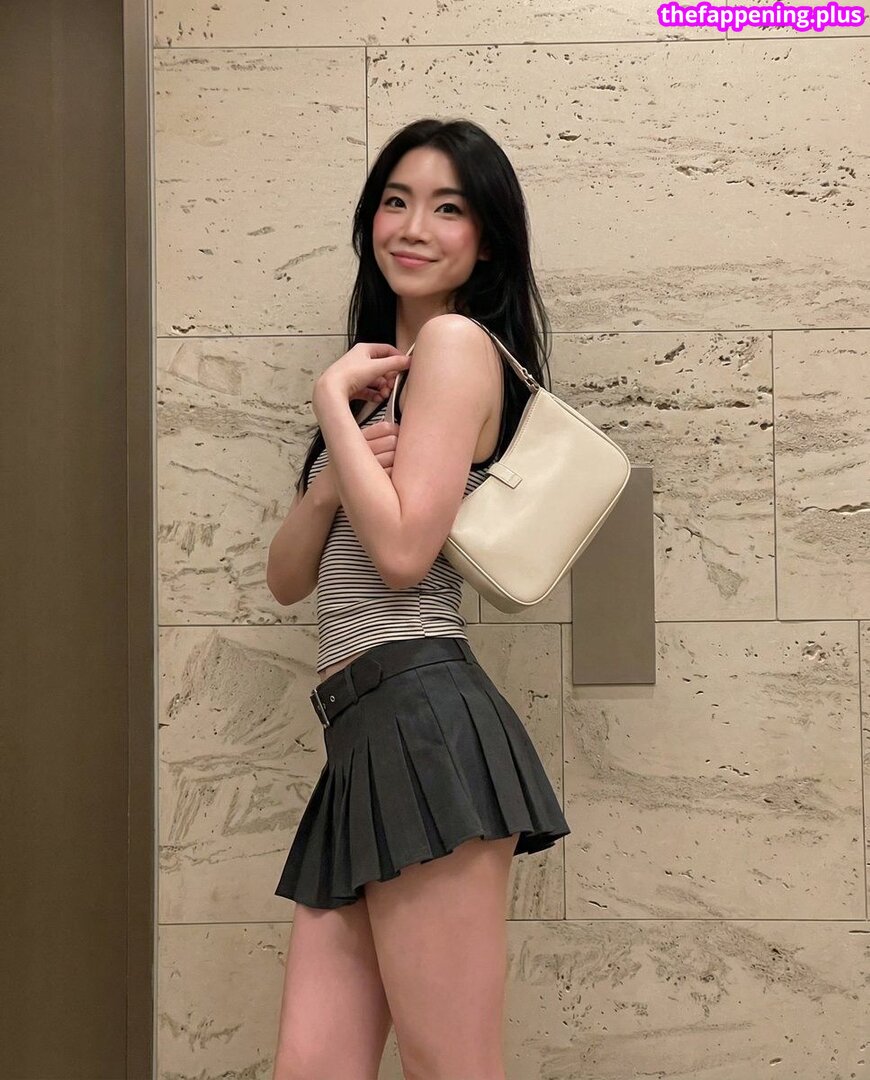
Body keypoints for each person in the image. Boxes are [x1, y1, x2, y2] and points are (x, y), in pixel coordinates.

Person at [266, 117, 570, 1080]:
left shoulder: (453, 344)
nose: (412, 226)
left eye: (448, 208)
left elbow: (402, 556)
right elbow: (287, 579)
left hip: (423, 721)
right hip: (359, 734)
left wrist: (327, 401)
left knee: (453, 1068)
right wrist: (331, 473)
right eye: (396, 201)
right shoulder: (377, 383)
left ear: (487, 241)